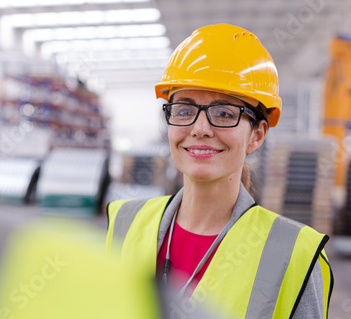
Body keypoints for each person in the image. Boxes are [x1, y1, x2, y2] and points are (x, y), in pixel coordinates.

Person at [106, 24, 333, 319]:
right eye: (184, 110)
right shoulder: (125, 222)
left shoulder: (297, 253)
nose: (200, 129)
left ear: (257, 135)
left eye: (224, 113)